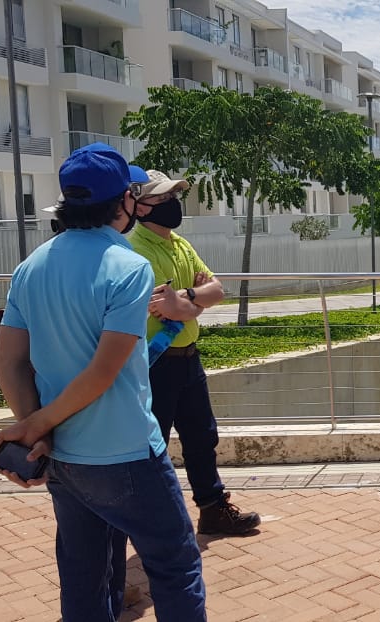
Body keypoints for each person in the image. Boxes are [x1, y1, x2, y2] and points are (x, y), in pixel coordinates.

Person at [0, 143, 206, 621]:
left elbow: (10, 363)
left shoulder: (31, 266)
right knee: (175, 564)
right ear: (125, 200)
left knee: (84, 577)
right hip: (126, 453)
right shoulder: (128, 267)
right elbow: (105, 371)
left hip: (62, 455)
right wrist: (38, 423)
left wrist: (36, 429)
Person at [126, 170, 262, 534]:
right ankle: (150, 521)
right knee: (151, 445)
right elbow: (164, 308)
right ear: (139, 207)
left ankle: (213, 508)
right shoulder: (136, 252)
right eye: (163, 198)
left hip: (188, 358)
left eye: (173, 196)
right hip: (155, 364)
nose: (172, 204)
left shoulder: (180, 245)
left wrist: (185, 298)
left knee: (202, 437)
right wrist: (195, 301)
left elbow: (217, 290)